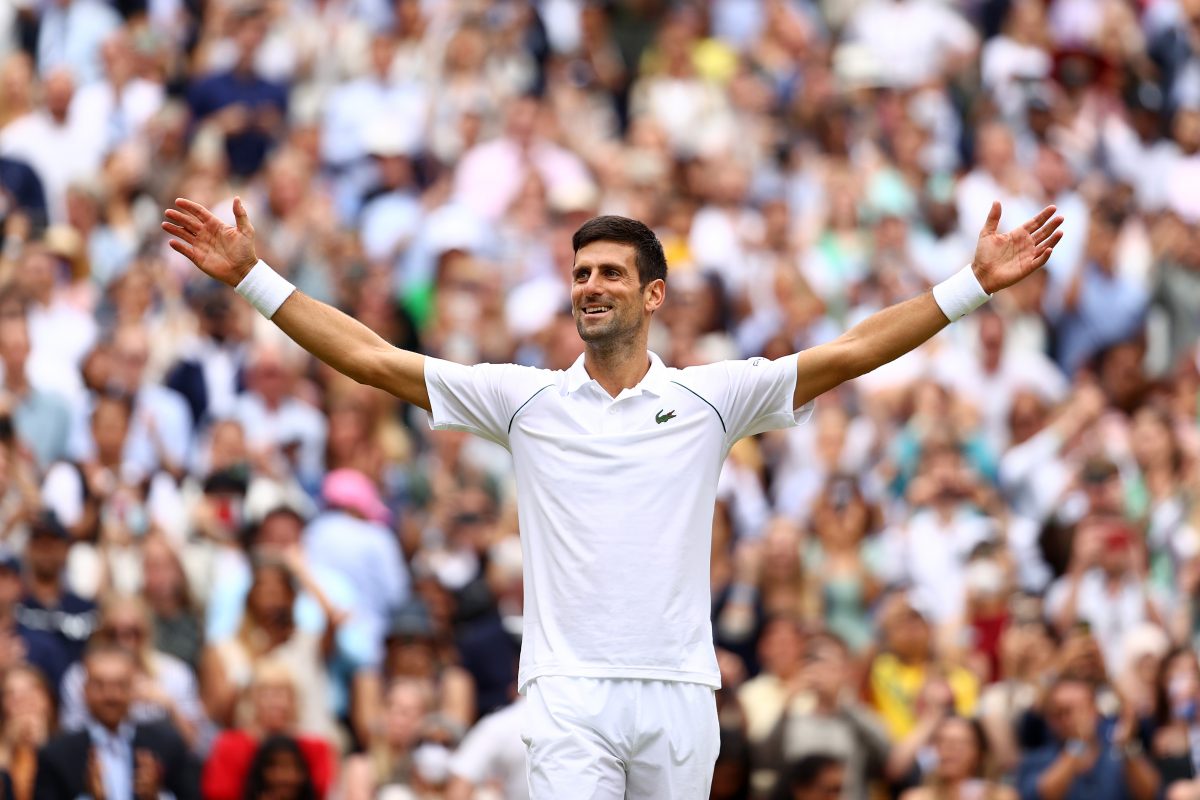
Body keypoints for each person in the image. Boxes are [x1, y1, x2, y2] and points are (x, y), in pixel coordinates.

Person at [162, 194, 1063, 798]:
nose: (590, 286)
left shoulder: (714, 397)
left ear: (654, 294)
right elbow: (372, 359)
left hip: (680, 692)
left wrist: (971, 287)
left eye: (610, 273)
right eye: (581, 273)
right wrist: (253, 279)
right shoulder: (524, 400)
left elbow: (853, 351)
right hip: (567, 693)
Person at [33, 641, 199, 800]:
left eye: (120, 685)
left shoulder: (167, 745)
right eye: (100, 685)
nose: (111, 695)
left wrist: (155, 796)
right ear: (84, 690)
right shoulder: (57, 755)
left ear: (134, 688)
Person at [1016, 677, 1159, 800]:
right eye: (1061, 712)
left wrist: (1127, 746)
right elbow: (1041, 796)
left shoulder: (1117, 756)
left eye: (1081, 710)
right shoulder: (1035, 760)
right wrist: (1077, 744)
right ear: (1050, 718)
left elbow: (1150, 793)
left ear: (1095, 710)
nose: (1071, 720)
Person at [900, 715, 1016, 800]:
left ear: (979, 753)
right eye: (941, 742)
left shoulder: (1003, 797)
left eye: (959, 744)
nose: (948, 750)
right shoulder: (915, 797)